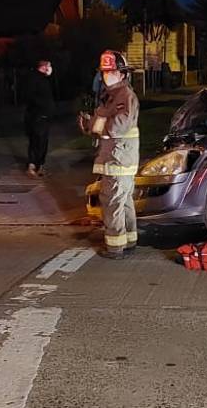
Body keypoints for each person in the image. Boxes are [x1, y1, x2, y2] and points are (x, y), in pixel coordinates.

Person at [80, 50, 140, 260]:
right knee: (123, 202)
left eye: (112, 71)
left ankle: (115, 247)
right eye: (105, 72)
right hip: (116, 158)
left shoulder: (125, 96)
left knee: (112, 202)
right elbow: (104, 124)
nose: (107, 76)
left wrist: (97, 124)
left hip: (119, 160)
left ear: (122, 74)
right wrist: (90, 124)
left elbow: (117, 127)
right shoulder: (112, 96)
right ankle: (129, 241)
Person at [25, 59, 54, 179]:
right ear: (44, 67)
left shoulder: (30, 78)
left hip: (31, 116)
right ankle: (40, 166)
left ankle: (31, 165)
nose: (51, 69)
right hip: (41, 116)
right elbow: (44, 99)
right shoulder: (42, 80)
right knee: (42, 142)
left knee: (33, 141)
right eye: (49, 66)